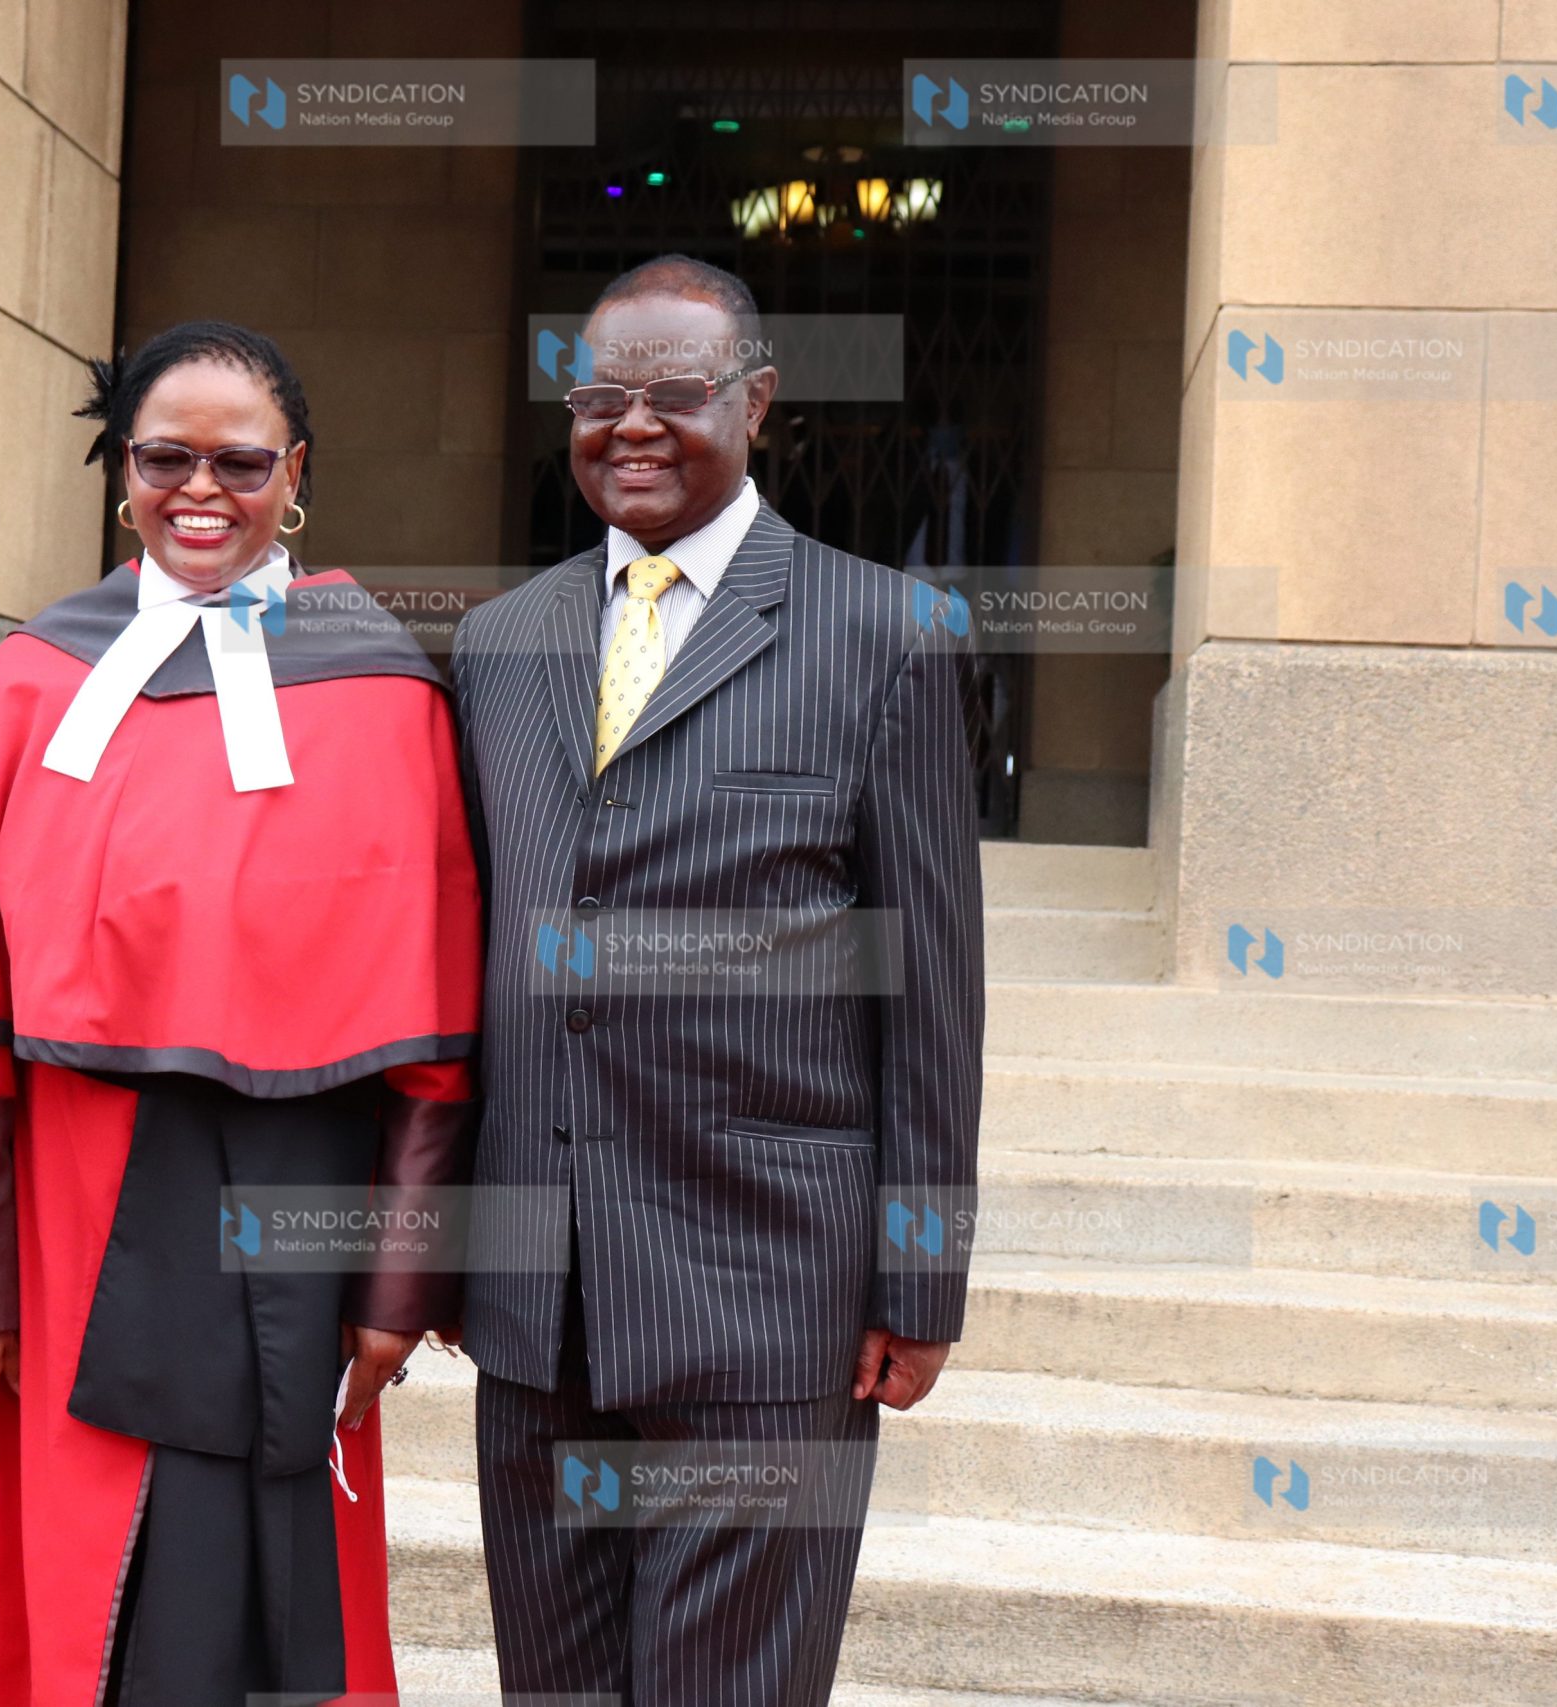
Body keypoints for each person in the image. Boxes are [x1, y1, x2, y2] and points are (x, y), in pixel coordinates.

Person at [0, 320, 481, 1706]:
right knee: (87, 1566)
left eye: (240, 463)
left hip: (305, 1199)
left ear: (295, 471)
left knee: (285, 1569)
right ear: (120, 471)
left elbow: (435, 1036)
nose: (204, 490)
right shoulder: (30, 681)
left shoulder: (380, 684)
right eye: (165, 458)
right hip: (77, 1198)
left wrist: (401, 1282)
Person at [450, 256, 985, 1705]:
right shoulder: (498, 646)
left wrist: (919, 1271)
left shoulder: (888, 636)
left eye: (675, 392)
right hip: (539, 1302)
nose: (632, 423)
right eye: (599, 394)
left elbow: (931, 983)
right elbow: (467, 963)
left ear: (757, 400)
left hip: (769, 1293)